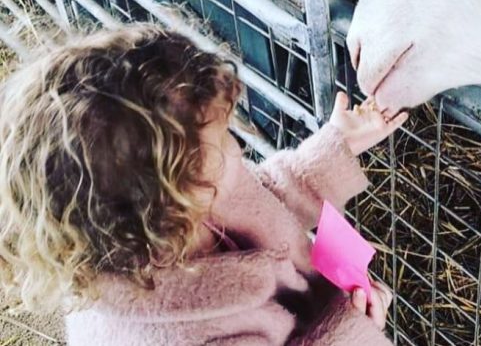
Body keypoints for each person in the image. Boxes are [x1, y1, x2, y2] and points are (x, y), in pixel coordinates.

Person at [0, 25, 408, 345]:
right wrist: (352, 333)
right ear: (179, 195)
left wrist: (338, 143)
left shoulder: (169, 214)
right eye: (226, 136)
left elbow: (262, 197)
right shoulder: (171, 336)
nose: (235, 144)